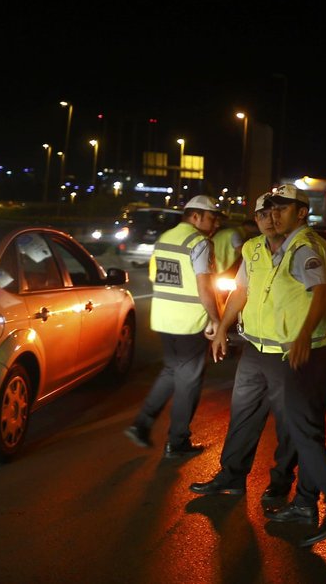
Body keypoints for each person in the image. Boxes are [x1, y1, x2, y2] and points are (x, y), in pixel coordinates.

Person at [259, 183, 326, 548]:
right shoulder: (303, 245)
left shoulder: (303, 248)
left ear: (301, 212)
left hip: (309, 351)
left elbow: (322, 292)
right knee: (309, 431)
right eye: (271, 209)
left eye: (282, 208)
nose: (274, 214)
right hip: (319, 348)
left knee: (302, 430)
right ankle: (304, 504)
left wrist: (302, 335)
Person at [189, 193, 299, 507]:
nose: (268, 220)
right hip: (253, 347)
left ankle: (280, 483)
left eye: (274, 213)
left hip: (285, 351)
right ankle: (231, 477)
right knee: (243, 415)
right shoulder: (252, 249)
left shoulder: (303, 249)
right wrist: (222, 329)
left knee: (287, 421)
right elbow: (241, 291)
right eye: (261, 214)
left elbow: (318, 297)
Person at [125, 195, 223, 458]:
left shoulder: (165, 238)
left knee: (171, 371)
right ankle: (177, 442)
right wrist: (216, 319)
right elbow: (204, 285)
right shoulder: (199, 242)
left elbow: (154, 275)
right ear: (195, 216)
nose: (214, 223)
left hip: (164, 318)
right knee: (188, 382)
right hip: (189, 321)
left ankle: (141, 424)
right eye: (212, 217)